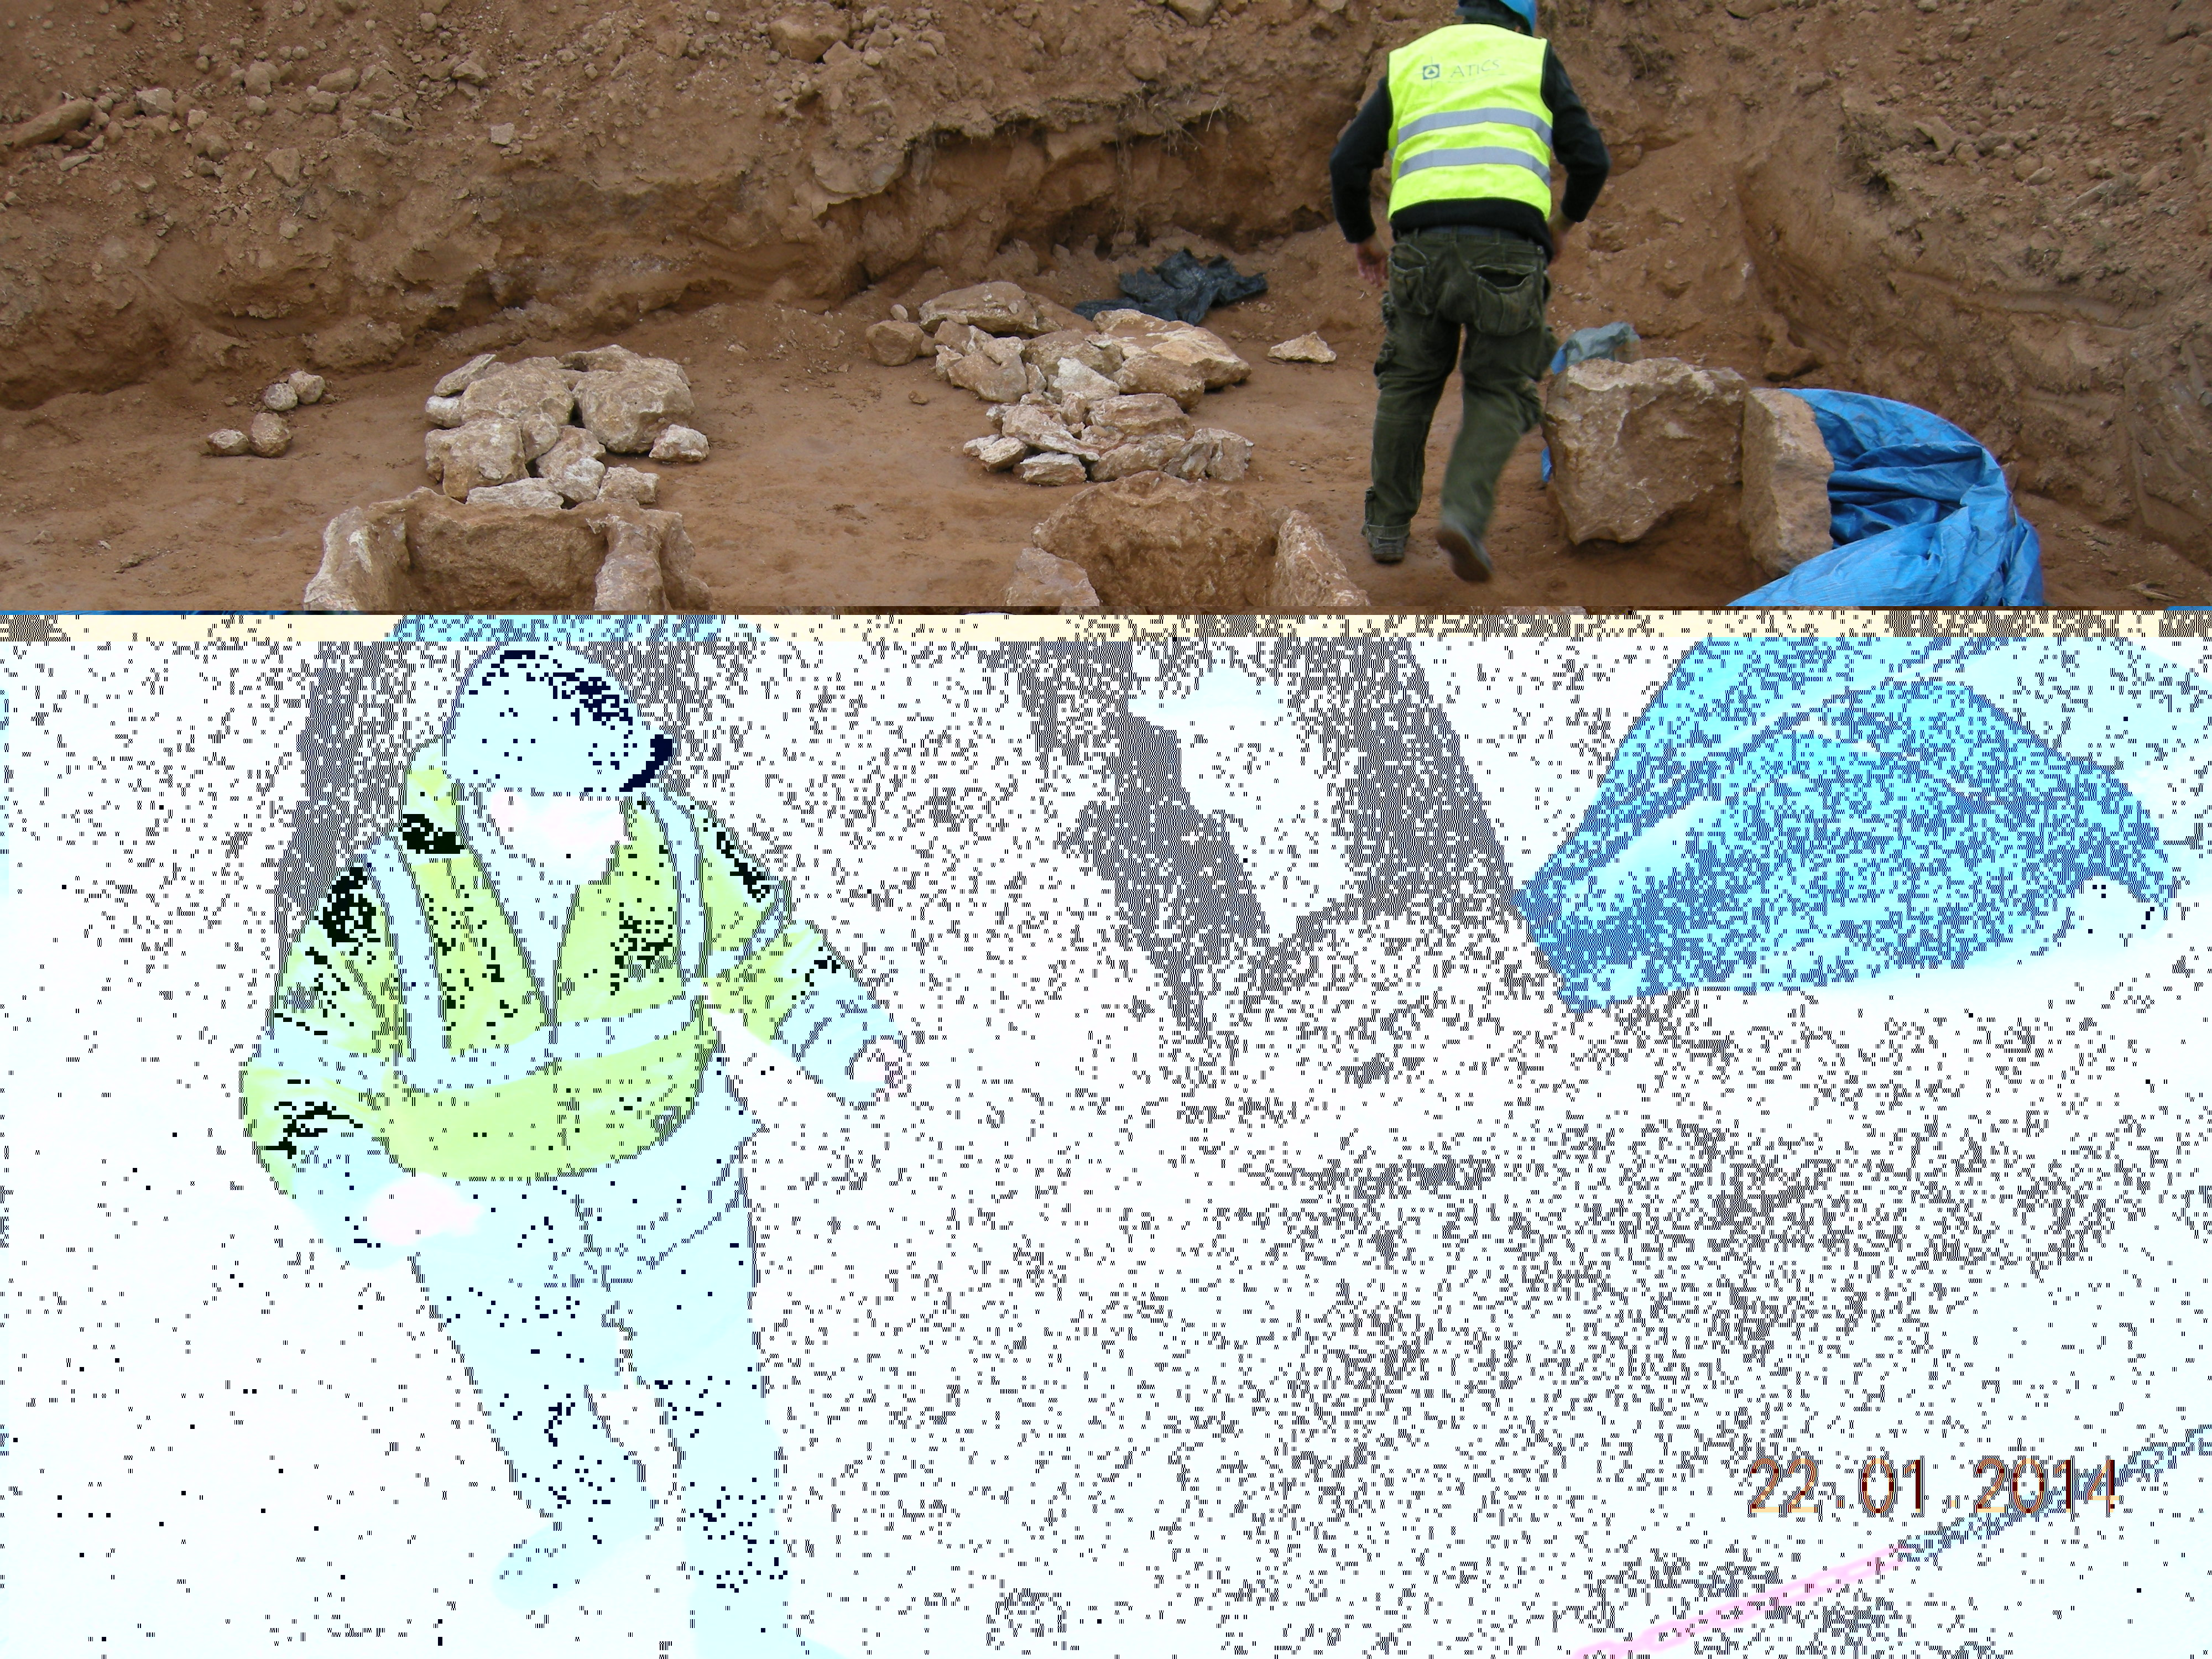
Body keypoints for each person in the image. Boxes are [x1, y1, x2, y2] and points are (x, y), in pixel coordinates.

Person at [238, 644, 906, 1659]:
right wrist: (365, 1191)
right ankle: (595, 1511)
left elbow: (768, 953)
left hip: (675, 1190)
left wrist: (845, 1036)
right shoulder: (379, 906)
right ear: (507, 803)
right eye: (590, 805)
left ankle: (750, 1625)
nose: (620, 823)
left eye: (622, 797)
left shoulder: (672, 844)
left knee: (719, 1410)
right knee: (530, 1393)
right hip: (487, 1225)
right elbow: (297, 1078)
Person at [1329, 0, 1610, 582]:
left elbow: (1347, 162)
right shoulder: (1534, 59)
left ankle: (1386, 529)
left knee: (1408, 385)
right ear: (1519, 19)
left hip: (1419, 249)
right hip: (1508, 248)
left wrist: (1364, 238)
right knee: (1499, 388)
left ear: (1465, 11)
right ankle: (1461, 513)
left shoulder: (1411, 60)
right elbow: (1591, 160)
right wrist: (1560, 225)